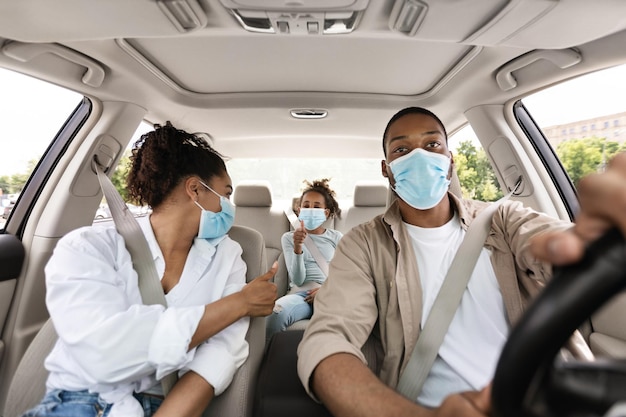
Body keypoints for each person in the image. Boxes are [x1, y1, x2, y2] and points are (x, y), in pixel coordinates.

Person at [297, 106, 626, 416]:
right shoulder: (363, 244)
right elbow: (328, 342)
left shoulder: (503, 219)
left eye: (432, 144)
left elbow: (554, 241)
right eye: (401, 150)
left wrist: (594, 242)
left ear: (450, 160)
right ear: (386, 168)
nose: (420, 156)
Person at [22, 122, 278, 417]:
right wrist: (239, 303)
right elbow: (105, 353)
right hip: (77, 404)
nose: (229, 207)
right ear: (195, 188)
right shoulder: (87, 247)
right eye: (226, 194)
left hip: (168, 404)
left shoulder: (229, 255)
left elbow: (221, 350)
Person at [266, 178, 343, 340]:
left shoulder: (337, 238)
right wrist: (298, 247)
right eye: (306, 206)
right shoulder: (288, 238)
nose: (311, 209)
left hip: (329, 293)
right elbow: (298, 279)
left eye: (316, 206)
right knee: (275, 314)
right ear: (299, 210)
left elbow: (345, 274)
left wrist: (327, 290)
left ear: (326, 212)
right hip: (300, 295)